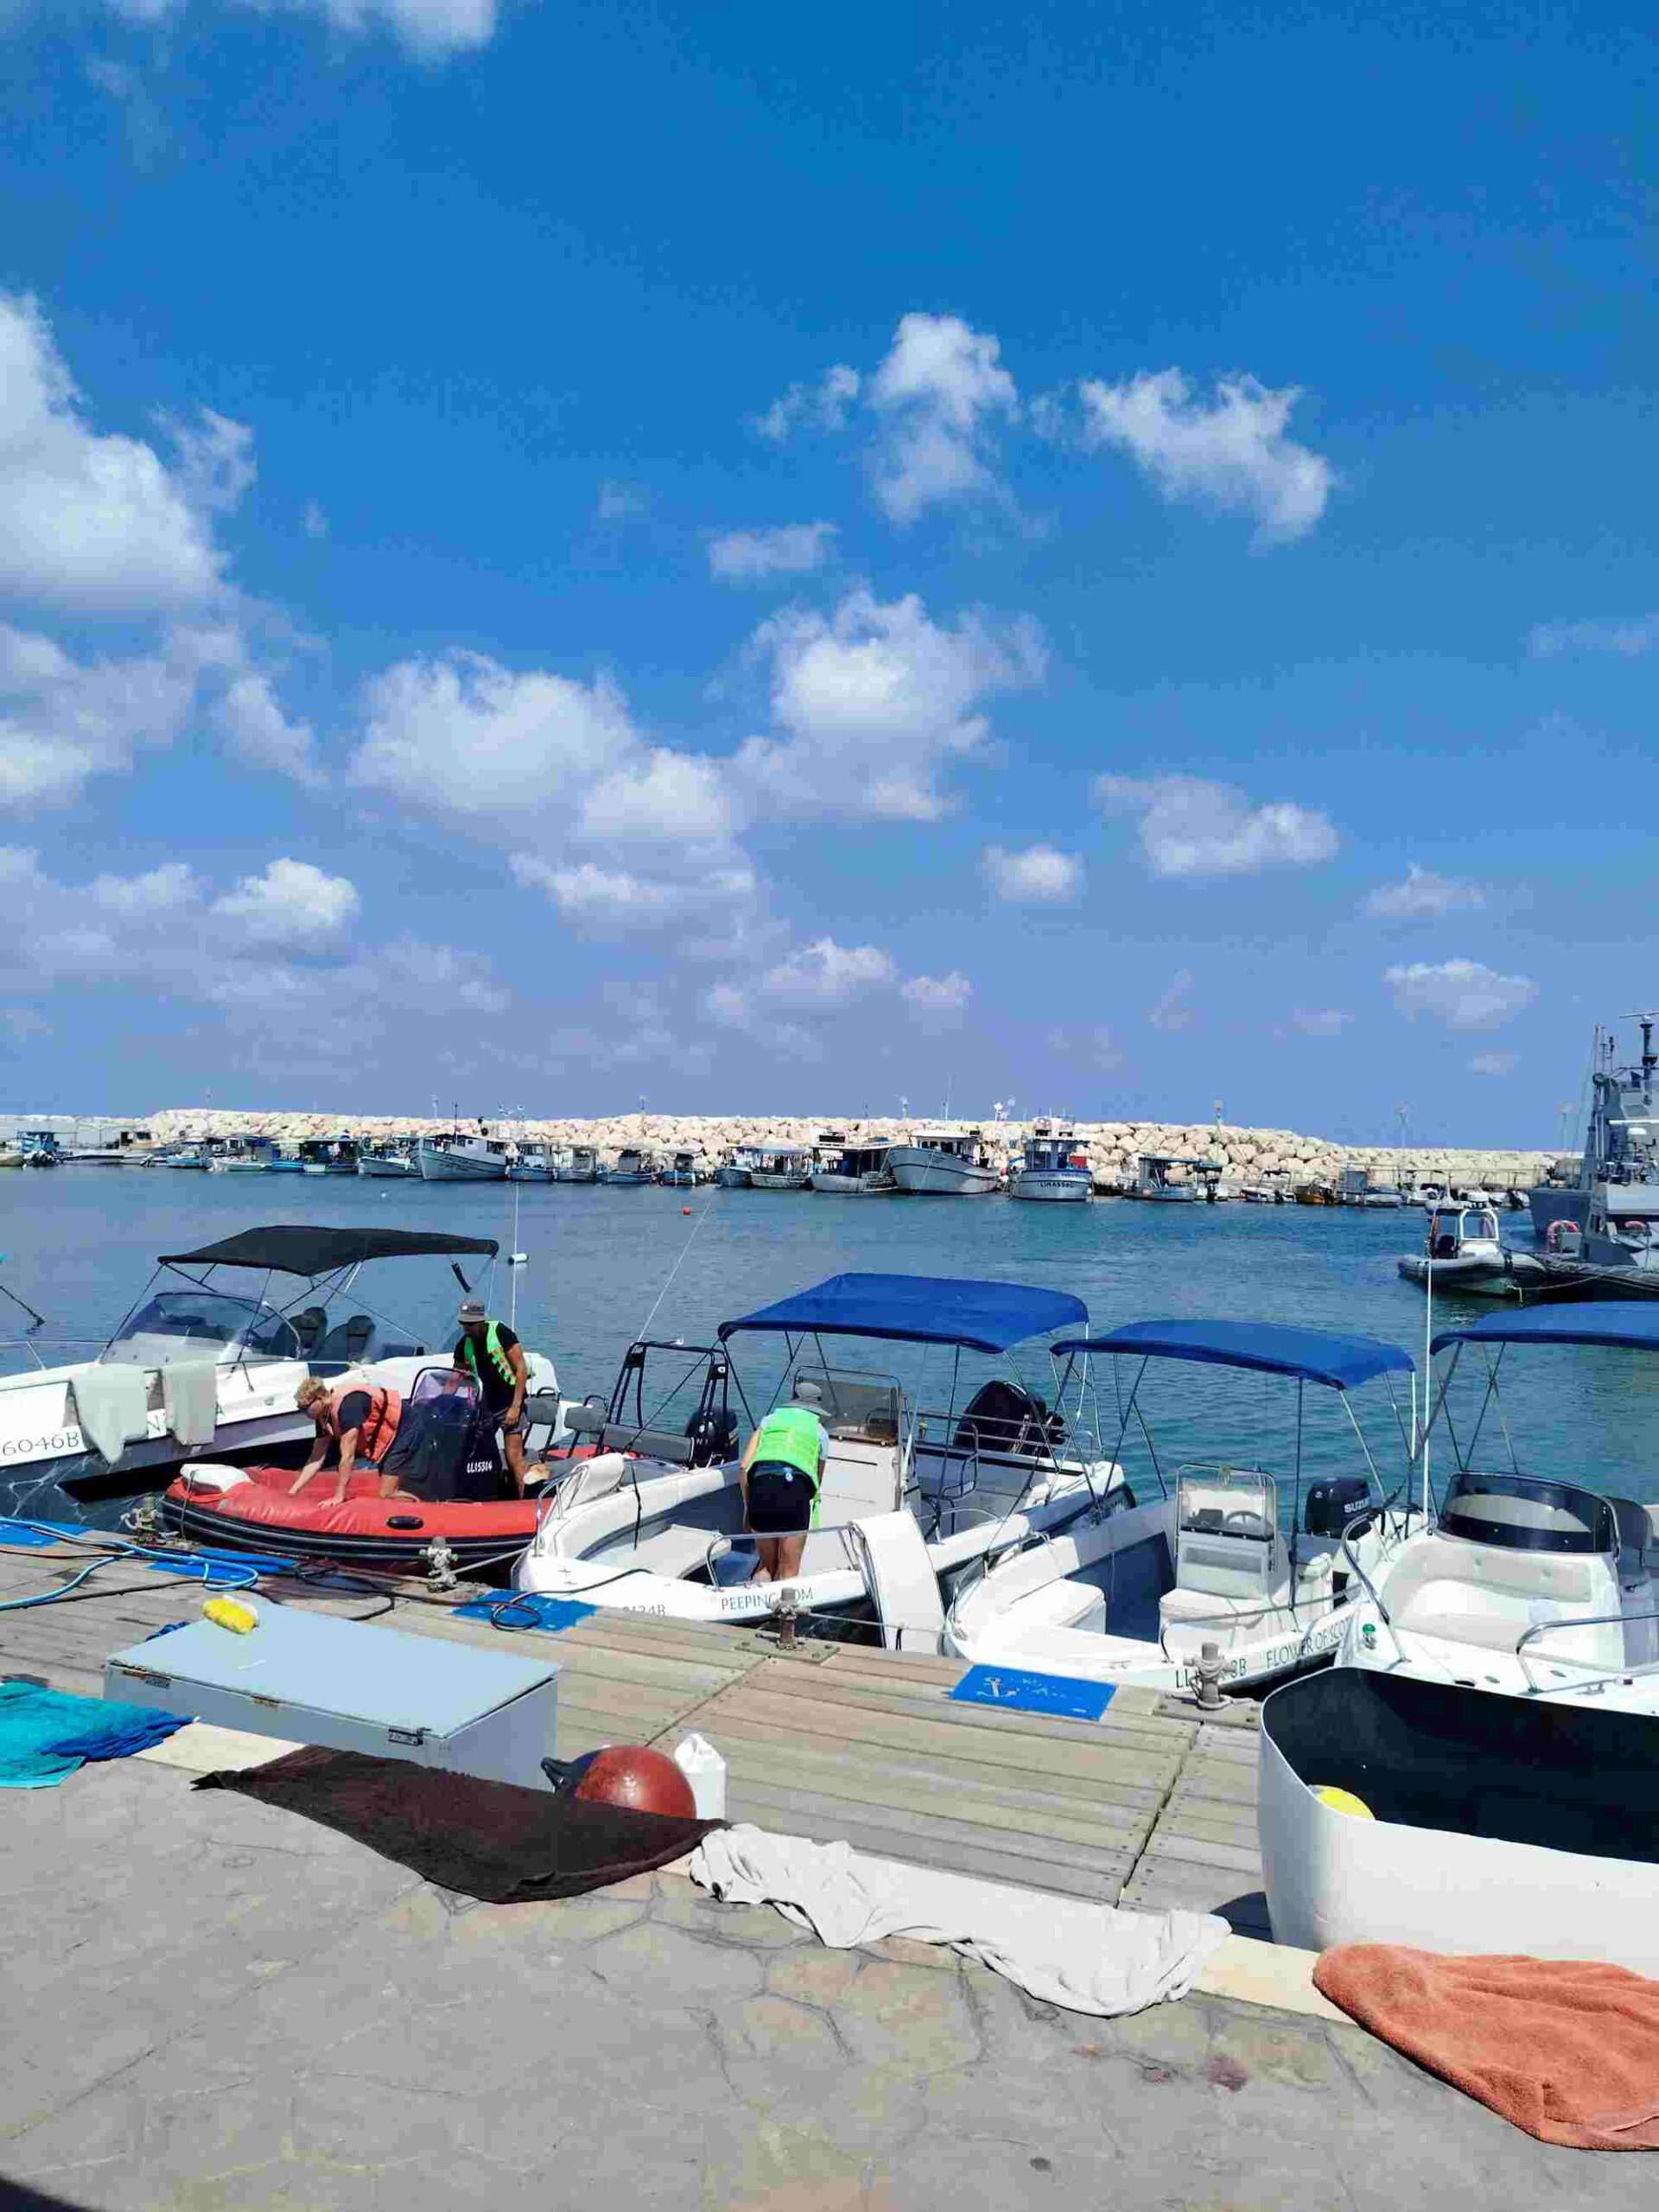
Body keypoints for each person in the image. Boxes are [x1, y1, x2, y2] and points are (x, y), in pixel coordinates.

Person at [738, 1395, 828, 1585]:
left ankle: (757, 1609)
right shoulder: (820, 1432)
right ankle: (785, 1613)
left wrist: (748, 1508)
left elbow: (744, 1466)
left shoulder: (769, 1421)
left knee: (765, 1568)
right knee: (789, 1573)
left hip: (760, 1489)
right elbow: (817, 1481)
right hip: (794, 1492)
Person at [453, 1297, 531, 1495]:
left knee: (514, 1455)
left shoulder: (500, 1333)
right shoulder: (463, 1345)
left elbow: (521, 1370)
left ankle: (524, 1501)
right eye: (464, 1323)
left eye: (470, 1324)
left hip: (509, 1403)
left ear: (481, 1320)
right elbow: (455, 1378)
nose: (467, 1328)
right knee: (476, 1453)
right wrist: (440, 1403)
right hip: (485, 1407)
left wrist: (516, 1406)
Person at [289, 1376, 406, 1505]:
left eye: (305, 1408)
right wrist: (293, 1491)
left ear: (320, 1399)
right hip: (390, 1440)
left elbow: (348, 1456)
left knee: (387, 1495)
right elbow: (316, 1460)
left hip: (404, 1430)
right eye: (300, 1409)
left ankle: (426, 1508)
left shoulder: (347, 1407)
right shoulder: (323, 1416)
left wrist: (339, 1496)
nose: (304, 1413)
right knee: (391, 1490)